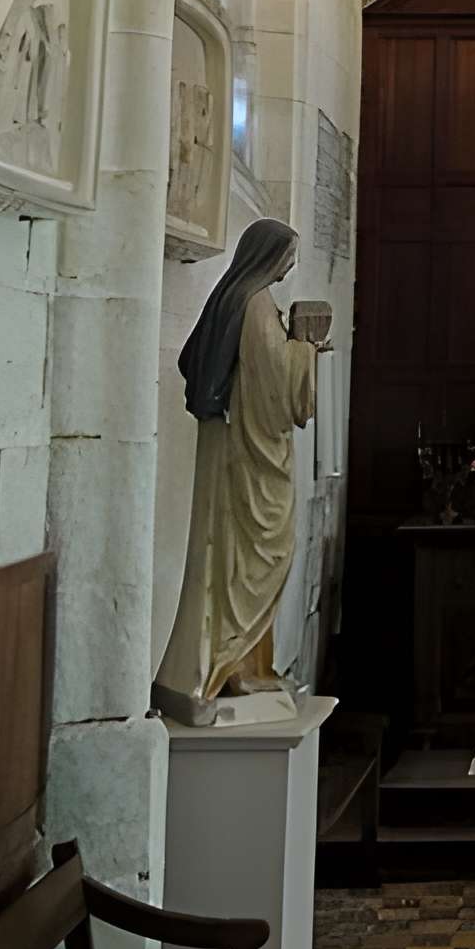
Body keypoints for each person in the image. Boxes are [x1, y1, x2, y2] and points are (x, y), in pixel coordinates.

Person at [155, 218, 321, 721]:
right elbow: (273, 380)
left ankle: (239, 667)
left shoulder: (237, 297)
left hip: (229, 443)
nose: (290, 265)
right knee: (248, 557)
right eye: (287, 256)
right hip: (245, 454)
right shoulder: (253, 304)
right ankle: (226, 665)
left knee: (230, 557)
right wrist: (307, 348)